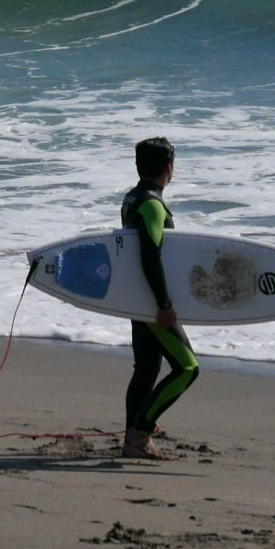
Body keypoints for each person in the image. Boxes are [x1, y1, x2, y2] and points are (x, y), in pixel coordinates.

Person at [120, 136, 199, 459]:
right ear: (169, 168)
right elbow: (150, 254)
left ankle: (133, 437)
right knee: (187, 368)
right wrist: (164, 305)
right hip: (152, 302)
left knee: (147, 369)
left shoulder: (131, 198)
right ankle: (140, 432)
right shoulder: (152, 204)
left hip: (135, 299)